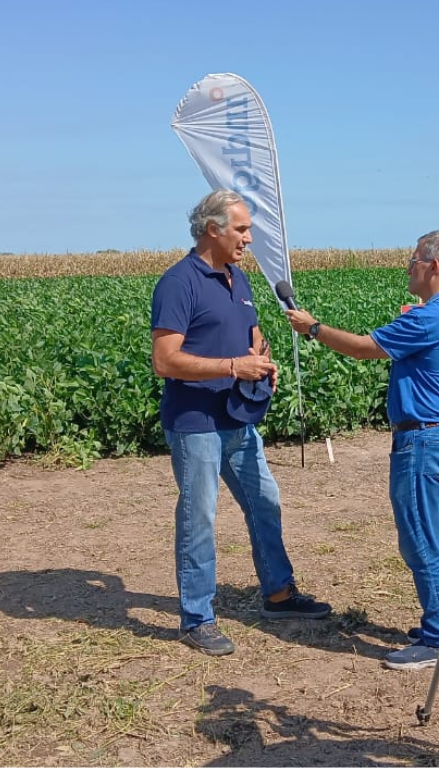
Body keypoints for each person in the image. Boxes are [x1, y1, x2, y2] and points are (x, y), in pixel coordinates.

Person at [150, 189, 331, 657]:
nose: (249, 238)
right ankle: (196, 618)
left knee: (265, 501)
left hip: (238, 418)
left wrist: (262, 360)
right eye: (242, 229)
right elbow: (165, 361)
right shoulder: (178, 283)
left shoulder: (239, 279)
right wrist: (234, 367)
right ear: (213, 229)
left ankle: (278, 594)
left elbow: (252, 335)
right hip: (195, 422)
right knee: (199, 517)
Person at [285, 231, 439, 671]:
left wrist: (313, 328)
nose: (408, 266)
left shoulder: (431, 317)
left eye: (414, 259)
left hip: (422, 440)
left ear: (434, 266)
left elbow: (362, 348)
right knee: (438, 537)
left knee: (421, 540)